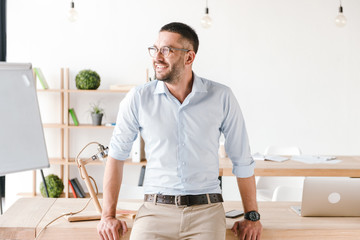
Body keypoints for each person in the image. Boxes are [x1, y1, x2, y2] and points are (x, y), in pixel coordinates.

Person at [97, 22, 262, 240]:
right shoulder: (138, 98)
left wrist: (252, 216)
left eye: (166, 50)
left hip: (207, 212)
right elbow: (116, 156)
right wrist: (108, 215)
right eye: (155, 49)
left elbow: (242, 160)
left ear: (189, 58)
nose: (157, 57)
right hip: (154, 212)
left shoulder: (221, 97)